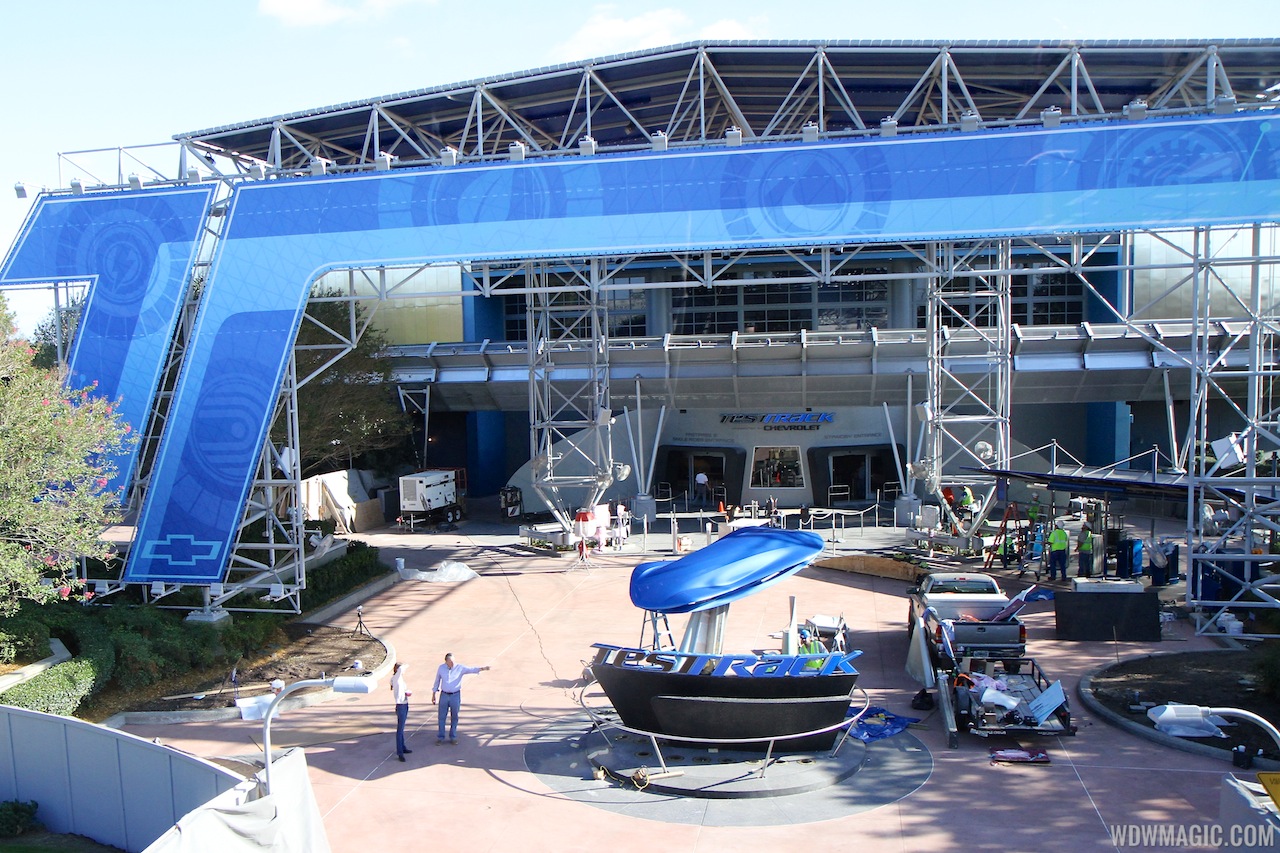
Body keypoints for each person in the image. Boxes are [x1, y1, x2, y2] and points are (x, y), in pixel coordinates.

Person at [432, 653, 491, 744]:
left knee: (454, 716)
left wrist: (482, 668)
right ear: (446, 661)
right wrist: (434, 694)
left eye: (453, 661)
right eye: (451, 662)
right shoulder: (441, 668)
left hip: (455, 695)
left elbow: (471, 669)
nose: (453, 663)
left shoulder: (459, 668)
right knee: (441, 717)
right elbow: (437, 681)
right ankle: (441, 737)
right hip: (444, 695)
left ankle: (453, 736)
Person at [391, 662, 412, 761]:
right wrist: (405, 665)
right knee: (400, 730)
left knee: (402, 728)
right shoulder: (397, 678)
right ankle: (400, 752)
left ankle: (403, 747)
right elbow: (400, 669)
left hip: (404, 703)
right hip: (401, 706)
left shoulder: (396, 679)